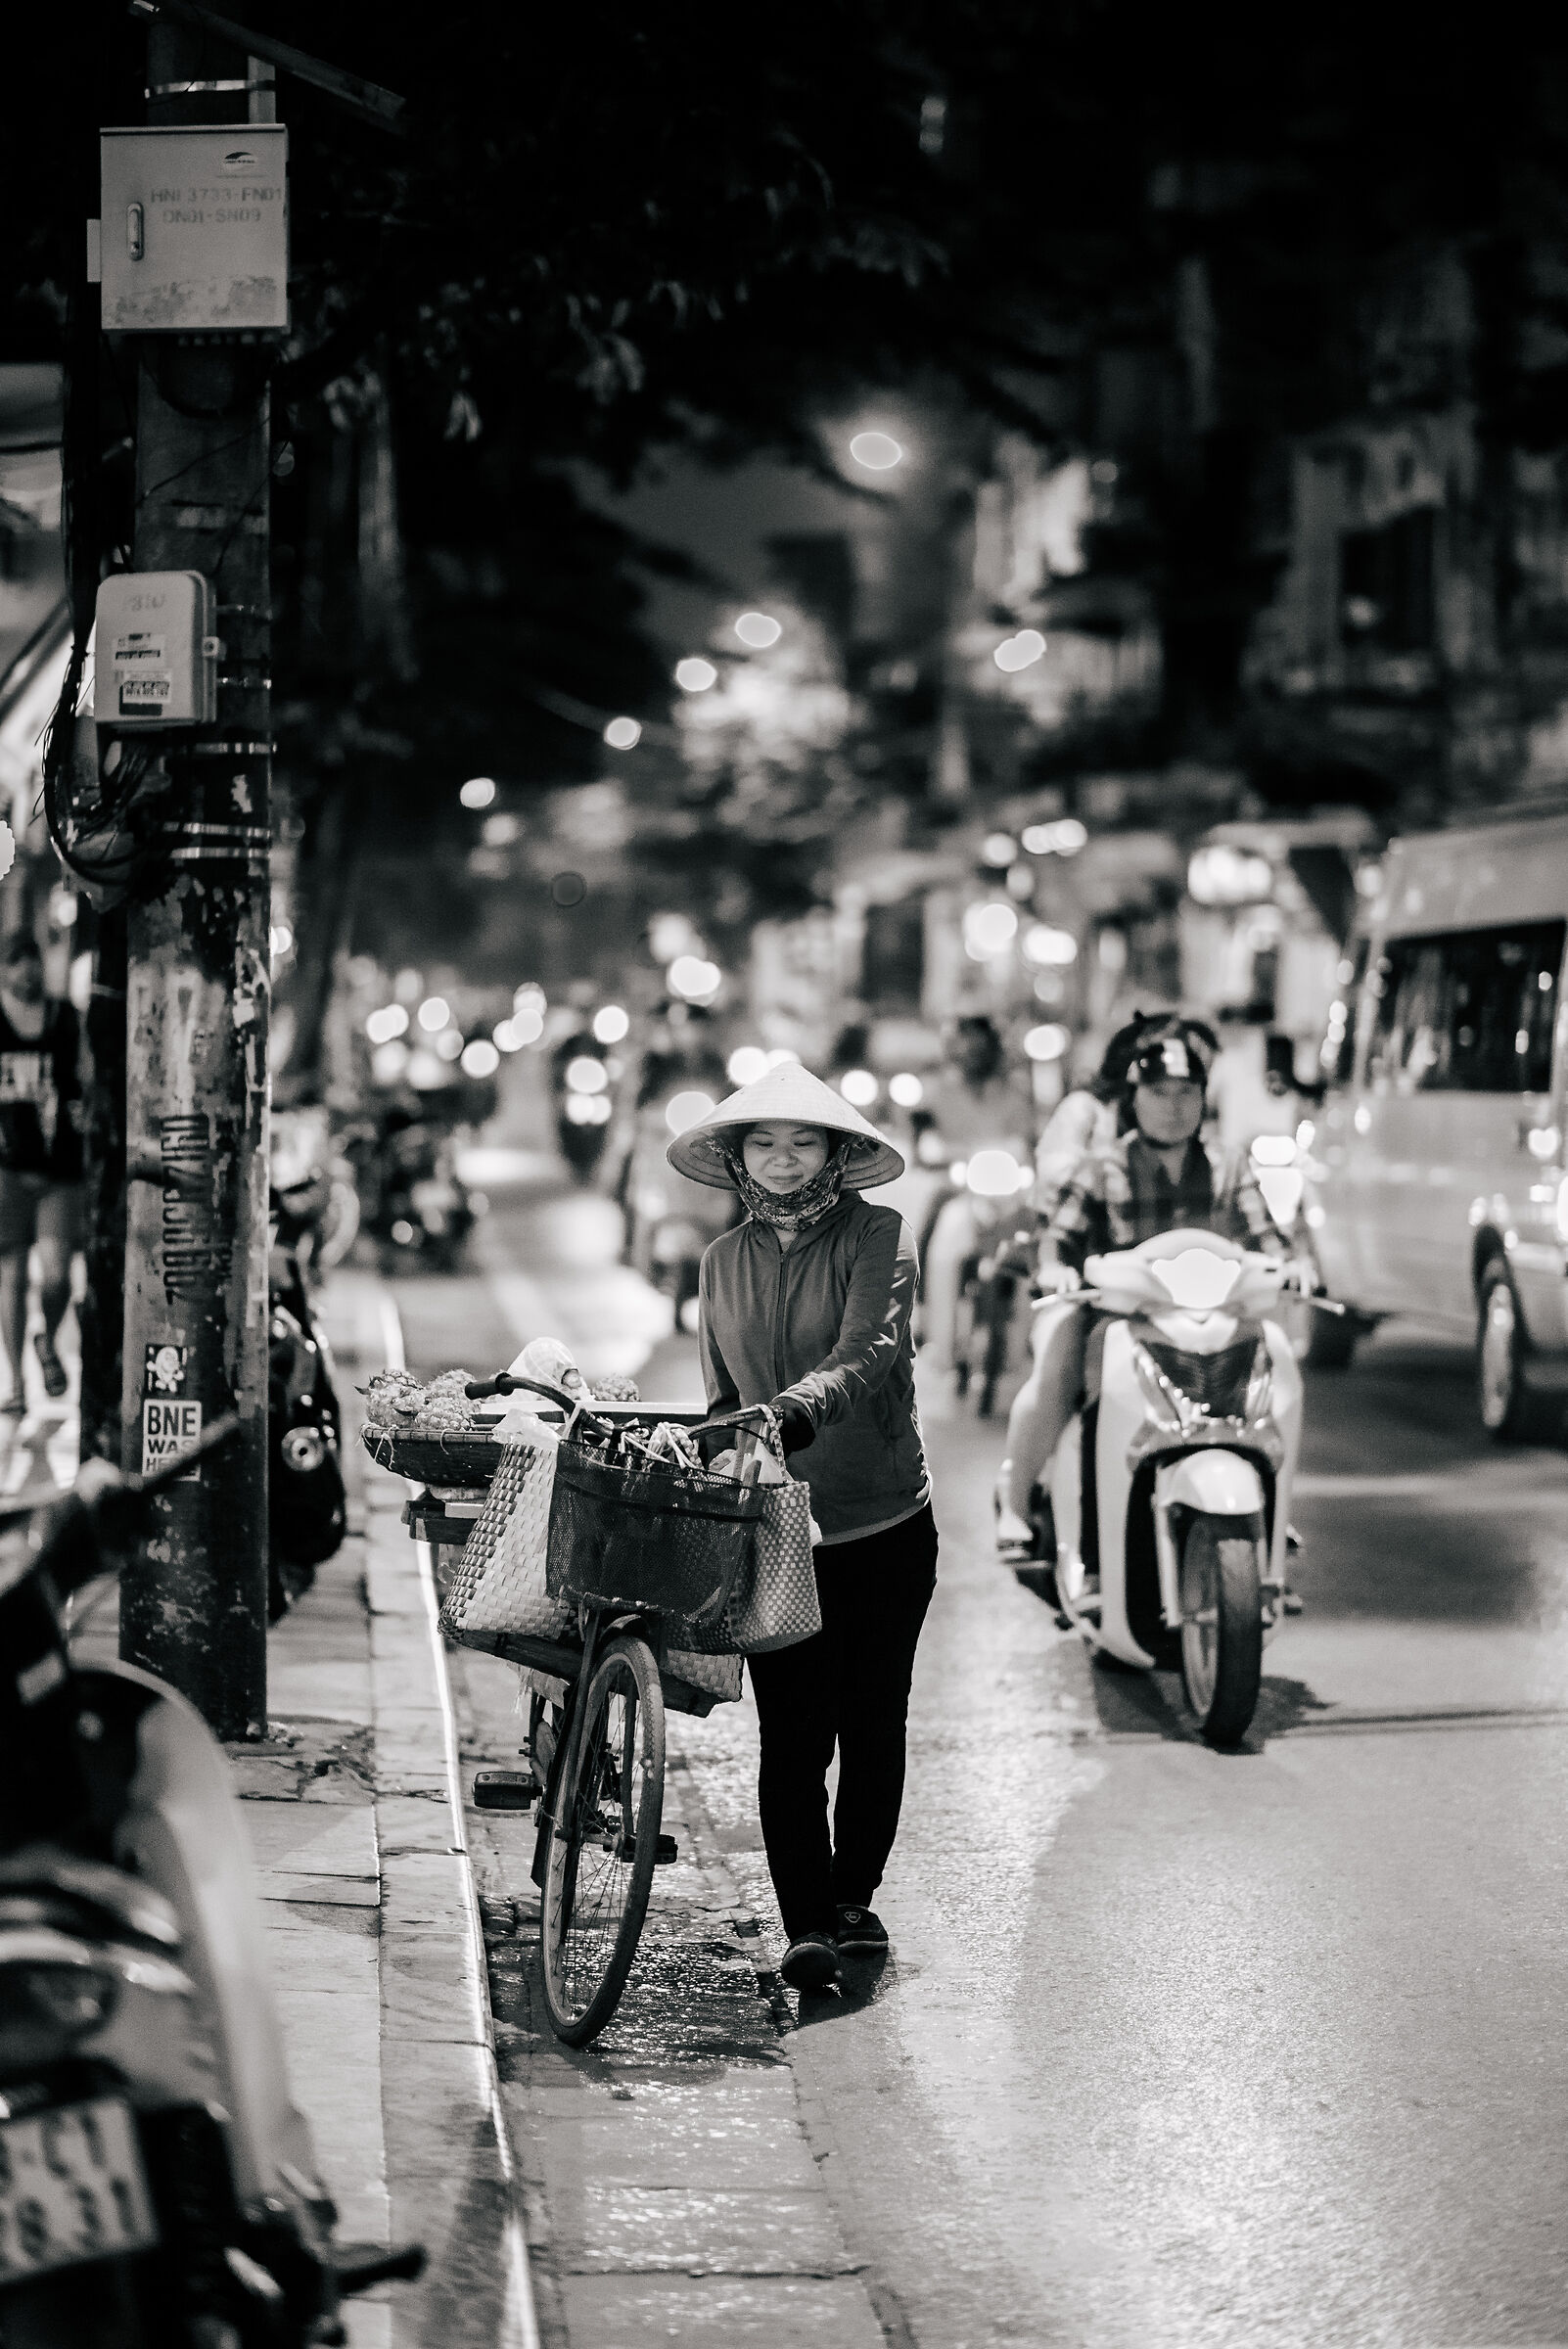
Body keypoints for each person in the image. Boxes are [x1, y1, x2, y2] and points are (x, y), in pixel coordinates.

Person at [670, 1061, 935, 1994]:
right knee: (792, 1737)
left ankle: (853, 1892)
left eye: (803, 1142)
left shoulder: (881, 1236)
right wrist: (711, 1454)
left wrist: (791, 1410)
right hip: (778, 1532)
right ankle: (806, 1924)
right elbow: (722, 1398)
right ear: (738, 1157)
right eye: (764, 1143)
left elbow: (869, 1349)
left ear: (836, 1151)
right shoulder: (719, 1263)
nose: (783, 1161)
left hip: (884, 1528)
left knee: (872, 1724)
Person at [993, 1017, 1286, 1556]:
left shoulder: (1226, 1163)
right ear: (1135, 1090)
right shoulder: (1099, 1152)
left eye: (1187, 1091)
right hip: (1115, 1308)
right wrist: (1059, 1267)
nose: (1173, 1105)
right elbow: (1057, 1233)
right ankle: (1029, 1504)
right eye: (1158, 1091)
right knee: (1062, 1367)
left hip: (1203, 1307)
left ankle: (1275, 1497)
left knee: (1274, 1359)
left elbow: (1267, 1234)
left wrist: (1289, 1265)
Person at [918, 1014, 1038, 1370]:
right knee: (929, 1233)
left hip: (1006, 1191)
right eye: (965, 1046)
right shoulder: (939, 1091)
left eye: (980, 1047)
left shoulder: (1014, 1093)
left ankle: (1029, 1334)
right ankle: (926, 1317)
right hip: (958, 1187)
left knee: (1039, 1238)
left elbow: (1027, 1139)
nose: (973, 1054)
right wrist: (939, 1154)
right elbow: (925, 1140)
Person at [0, 932, 84, 1417]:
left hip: (59, 1170)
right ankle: (14, 1384)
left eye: (32, 961)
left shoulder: (65, 1019)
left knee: (56, 1279)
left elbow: (87, 1080)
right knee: (10, 1275)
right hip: (7, 1169)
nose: (27, 972)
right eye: (16, 962)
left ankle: (46, 1340)